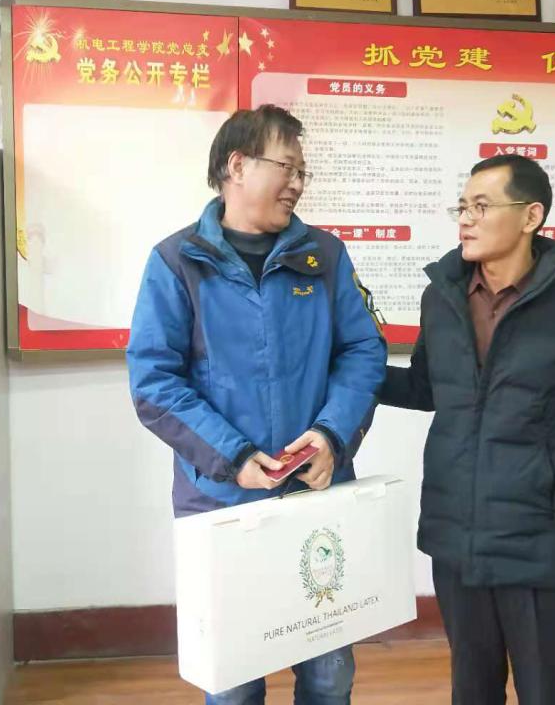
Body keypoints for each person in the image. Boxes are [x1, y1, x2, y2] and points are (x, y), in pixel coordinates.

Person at [127, 104, 387, 705]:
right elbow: (154, 382)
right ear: (237, 166)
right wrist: (235, 456)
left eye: (302, 172)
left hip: (316, 499)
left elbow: (362, 352)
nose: (297, 183)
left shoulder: (324, 257)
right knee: (233, 681)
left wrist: (332, 436)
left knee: (328, 677)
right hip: (221, 505)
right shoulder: (177, 262)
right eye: (286, 167)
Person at [380, 154, 555, 705]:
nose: (465, 219)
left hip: (537, 535)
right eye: (462, 207)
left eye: (481, 206)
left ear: (531, 216)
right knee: (472, 688)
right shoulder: (442, 295)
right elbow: (426, 389)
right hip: (456, 532)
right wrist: (353, 369)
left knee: (545, 689)